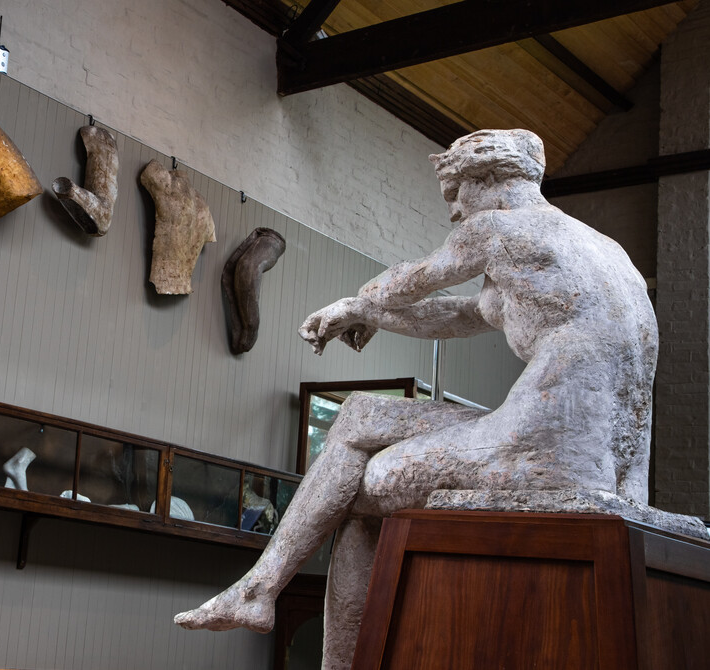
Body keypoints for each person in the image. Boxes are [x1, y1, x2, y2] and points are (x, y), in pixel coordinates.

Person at [173, 129, 657, 669]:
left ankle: (263, 594)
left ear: (491, 180)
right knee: (359, 416)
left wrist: (360, 304)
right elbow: (464, 313)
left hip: (543, 452)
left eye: (455, 191)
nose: (452, 210)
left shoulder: (499, 228)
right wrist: (365, 314)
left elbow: (397, 286)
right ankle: (259, 589)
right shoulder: (600, 251)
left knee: (359, 490)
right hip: (610, 470)